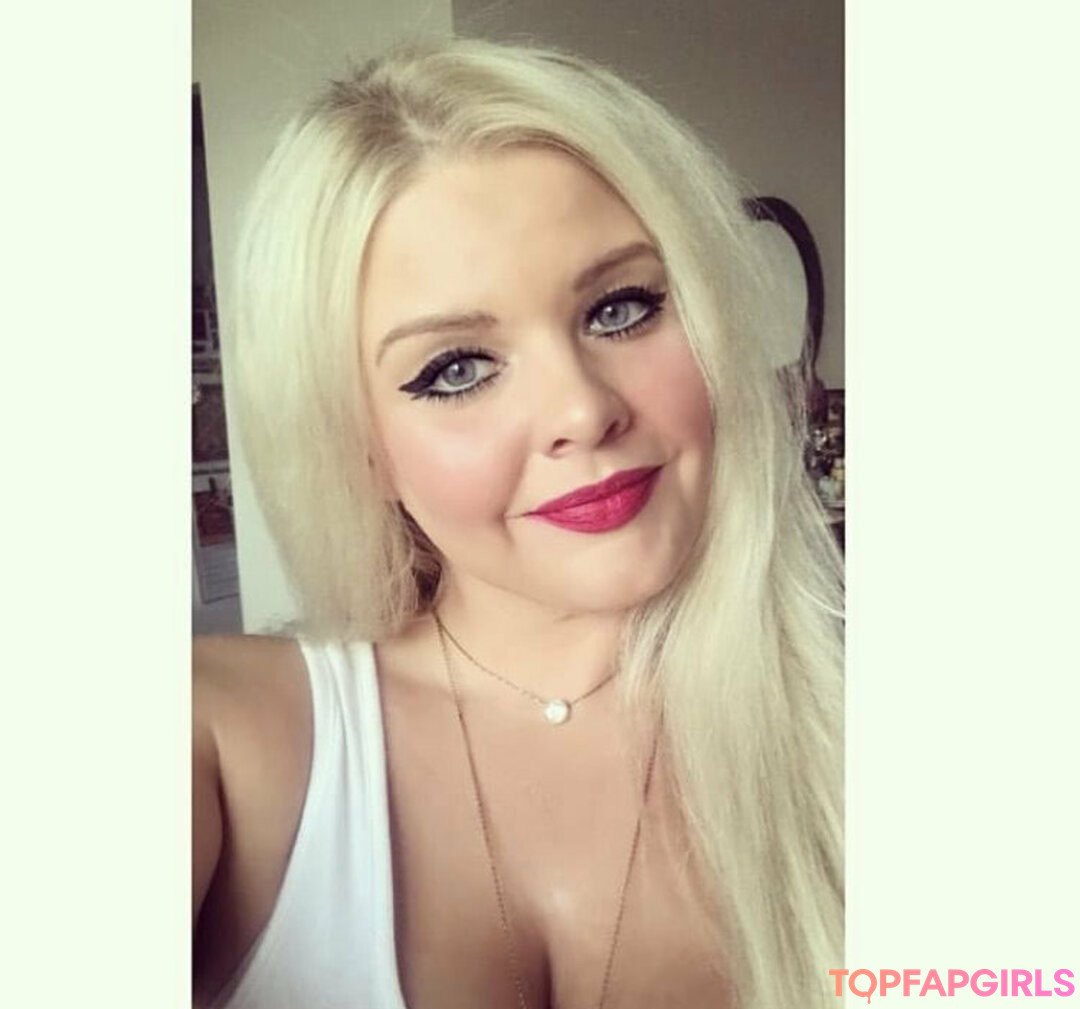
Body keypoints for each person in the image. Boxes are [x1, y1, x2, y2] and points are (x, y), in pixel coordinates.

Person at [193, 35, 844, 1009]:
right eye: (455, 368)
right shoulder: (215, 740)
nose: (582, 409)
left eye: (621, 308)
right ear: (359, 446)